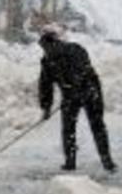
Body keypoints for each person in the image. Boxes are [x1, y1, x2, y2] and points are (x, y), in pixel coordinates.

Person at [38, 32, 117, 172]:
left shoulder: (75, 50)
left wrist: (77, 87)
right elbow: (45, 85)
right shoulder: (47, 62)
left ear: (55, 43)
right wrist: (46, 107)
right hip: (70, 96)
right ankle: (70, 161)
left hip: (90, 90)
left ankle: (107, 160)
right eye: (44, 48)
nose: (46, 51)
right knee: (68, 128)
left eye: (48, 47)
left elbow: (84, 69)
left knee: (97, 125)